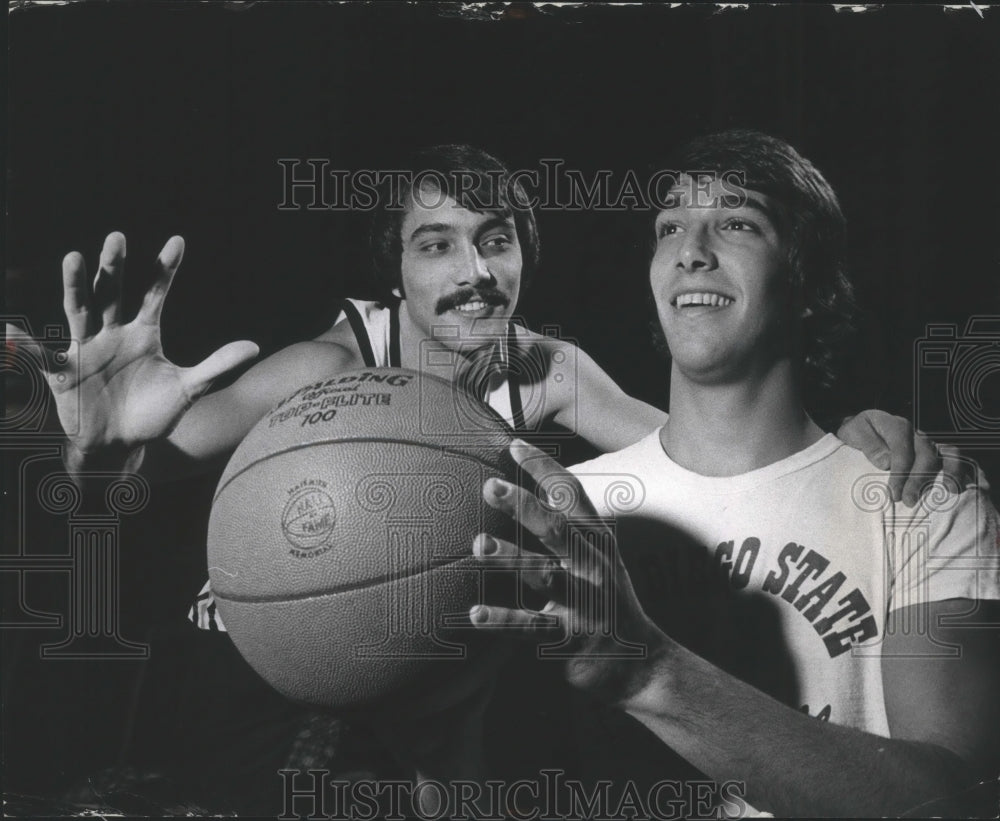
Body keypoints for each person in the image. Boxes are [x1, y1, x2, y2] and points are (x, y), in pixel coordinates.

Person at [4, 142, 972, 813]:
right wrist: (99, 453)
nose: (472, 270)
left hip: (437, 709)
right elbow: (135, 489)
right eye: (436, 245)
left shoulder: (544, 368)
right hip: (272, 688)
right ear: (396, 275)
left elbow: (719, 463)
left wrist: (856, 440)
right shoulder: (324, 371)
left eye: (496, 239)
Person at [469, 131, 1000, 817]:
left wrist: (652, 672)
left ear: (809, 285)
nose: (691, 249)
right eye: (670, 227)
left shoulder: (915, 494)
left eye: (736, 222)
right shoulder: (571, 510)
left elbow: (956, 804)